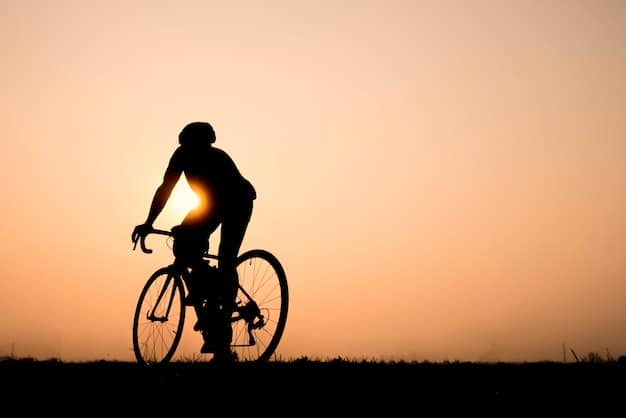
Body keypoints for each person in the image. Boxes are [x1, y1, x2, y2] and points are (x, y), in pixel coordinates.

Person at [132, 121, 256, 362]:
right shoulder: (180, 156)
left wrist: (201, 233)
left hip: (237, 202)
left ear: (207, 144)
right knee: (181, 242)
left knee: (226, 256)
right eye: (191, 146)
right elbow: (166, 187)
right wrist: (149, 222)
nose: (195, 150)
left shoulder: (218, 159)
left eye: (200, 146)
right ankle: (207, 286)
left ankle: (223, 313)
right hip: (211, 203)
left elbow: (220, 203)